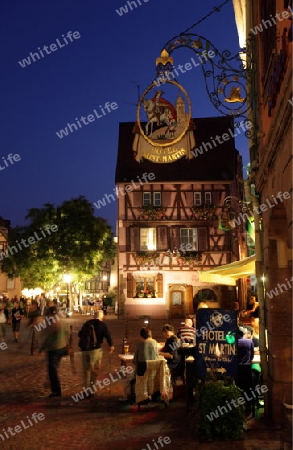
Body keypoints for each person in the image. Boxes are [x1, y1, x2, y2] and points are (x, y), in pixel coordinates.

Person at [78, 310, 114, 398]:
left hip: (84, 350)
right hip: (95, 350)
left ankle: (86, 390)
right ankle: (91, 390)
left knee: (86, 371)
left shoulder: (87, 323)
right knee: (94, 371)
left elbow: (80, 334)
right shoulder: (102, 325)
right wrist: (111, 345)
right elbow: (108, 335)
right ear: (101, 317)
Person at [39, 306, 69, 397]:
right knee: (54, 368)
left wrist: (42, 348)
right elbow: (67, 333)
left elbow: (49, 338)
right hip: (62, 347)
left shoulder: (54, 322)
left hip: (54, 348)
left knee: (52, 369)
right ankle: (52, 386)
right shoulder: (63, 321)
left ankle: (56, 390)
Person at [236, 327, 254, 416]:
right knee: (248, 388)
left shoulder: (233, 343)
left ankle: (238, 407)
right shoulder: (249, 341)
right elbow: (252, 356)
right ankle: (249, 408)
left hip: (237, 369)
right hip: (247, 368)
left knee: (237, 387)